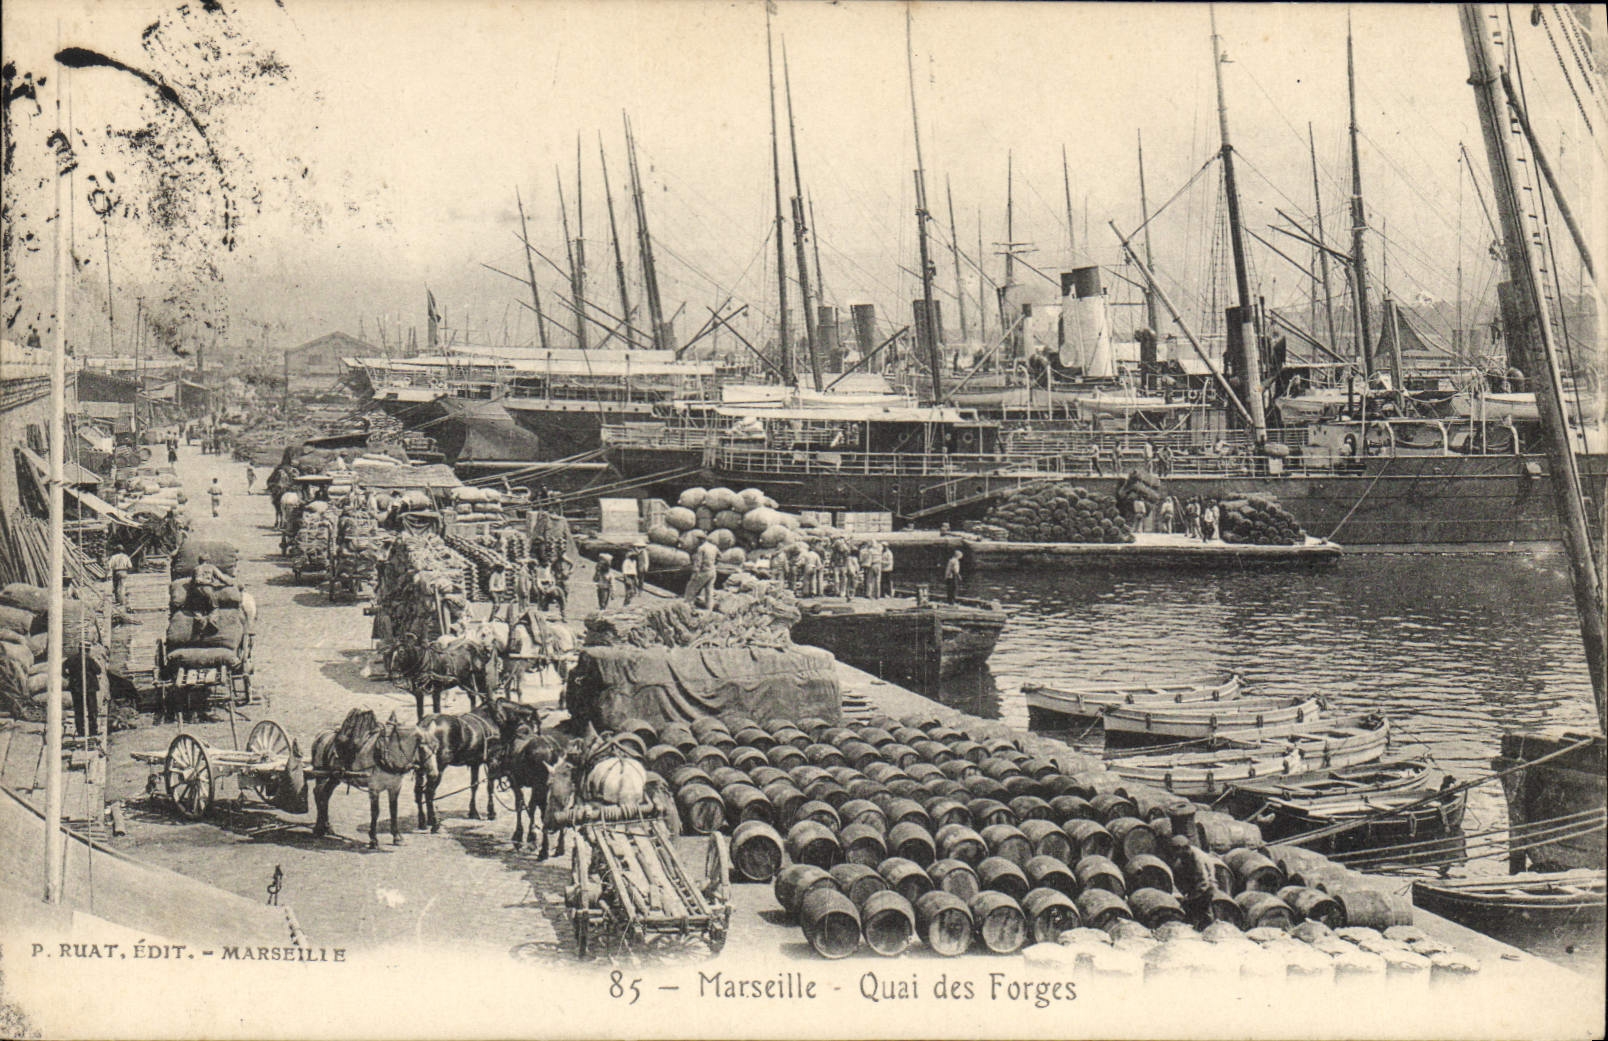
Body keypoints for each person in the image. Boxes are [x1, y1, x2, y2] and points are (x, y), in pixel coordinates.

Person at [685, 539, 718, 610]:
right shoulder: (714, 547)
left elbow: (698, 563)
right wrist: (713, 563)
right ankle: (709, 610)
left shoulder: (701, 548)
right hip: (713, 572)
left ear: (701, 541)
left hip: (704, 572)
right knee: (709, 592)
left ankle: (688, 607)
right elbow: (720, 557)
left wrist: (695, 573)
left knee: (691, 588)